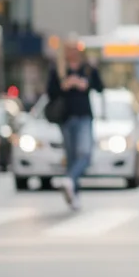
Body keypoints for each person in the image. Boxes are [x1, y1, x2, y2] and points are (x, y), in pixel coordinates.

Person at [44, 38, 103, 211]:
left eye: (76, 49)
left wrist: (86, 83)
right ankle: (74, 195)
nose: (73, 52)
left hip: (84, 116)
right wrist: (65, 85)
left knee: (85, 154)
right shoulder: (59, 69)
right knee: (71, 157)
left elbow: (100, 87)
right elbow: (50, 92)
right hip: (66, 118)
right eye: (70, 49)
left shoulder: (87, 68)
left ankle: (69, 180)